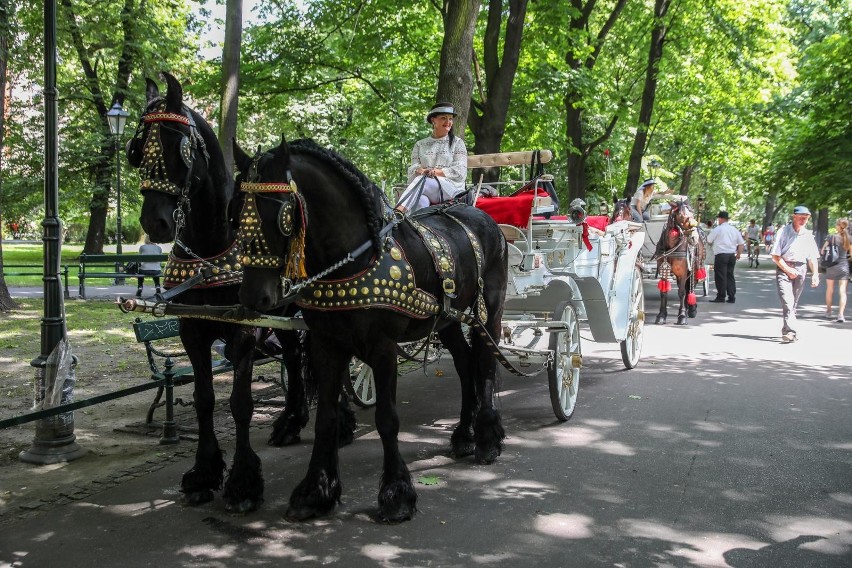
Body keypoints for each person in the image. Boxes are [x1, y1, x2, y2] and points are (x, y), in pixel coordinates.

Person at [396, 102, 468, 213]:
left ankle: (397, 213)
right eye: (444, 118)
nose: (448, 122)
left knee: (422, 180)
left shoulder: (457, 143)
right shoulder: (420, 144)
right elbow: (413, 169)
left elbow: (460, 171)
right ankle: (420, 229)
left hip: (451, 189)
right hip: (427, 188)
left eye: (450, 118)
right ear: (433, 120)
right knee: (420, 201)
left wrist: (435, 172)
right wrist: (419, 170)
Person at [770, 205, 820, 343]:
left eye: (806, 218)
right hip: (784, 266)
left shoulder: (808, 235)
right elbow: (775, 255)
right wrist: (787, 269)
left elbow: (812, 257)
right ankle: (791, 331)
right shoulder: (784, 231)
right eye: (801, 217)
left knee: (793, 302)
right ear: (794, 217)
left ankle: (788, 330)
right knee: (788, 300)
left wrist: (815, 274)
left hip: (801, 267)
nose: (804, 220)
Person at [706, 210, 744, 303]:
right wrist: (738, 254)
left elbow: (709, 240)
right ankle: (732, 297)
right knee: (730, 275)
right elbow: (741, 243)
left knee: (720, 276)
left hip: (721, 255)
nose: (718, 220)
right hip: (731, 255)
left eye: (718, 218)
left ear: (721, 219)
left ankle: (721, 296)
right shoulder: (734, 229)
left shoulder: (718, 229)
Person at [821, 218, 851, 323]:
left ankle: (829, 311)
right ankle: (841, 315)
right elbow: (851, 255)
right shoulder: (849, 238)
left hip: (832, 266)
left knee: (830, 289)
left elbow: (822, 250)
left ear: (839, 226)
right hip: (844, 266)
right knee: (843, 291)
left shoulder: (831, 237)